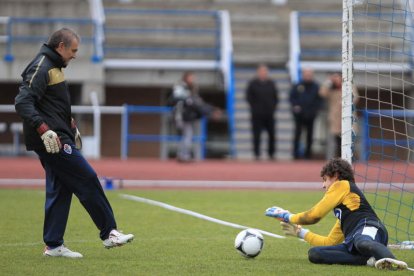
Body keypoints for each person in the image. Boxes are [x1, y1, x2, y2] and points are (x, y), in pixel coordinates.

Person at [15, 28, 134, 258]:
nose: (75, 55)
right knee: (86, 178)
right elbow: (23, 101)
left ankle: (54, 245)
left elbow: (51, 103)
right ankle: (109, 232)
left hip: (60, 134)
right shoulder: (42, 65)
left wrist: (70, 124)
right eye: (73, 50)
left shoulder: (54, 66)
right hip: (53, 140)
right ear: (60, 46)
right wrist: (44, 129)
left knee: (60, 189)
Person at [265, 158, 408, 270]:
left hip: (369, 227)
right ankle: (367, 260)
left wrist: (287, 216)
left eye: (325, 180)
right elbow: (330, 242)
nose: (323, 185)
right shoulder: (344, 214)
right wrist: (300, 233)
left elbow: (314, 215)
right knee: (315, 254)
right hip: (355, 239)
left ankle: (391, 260)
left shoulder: (342, 184)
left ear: (336, 176)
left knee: (361, 241)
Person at [170, 71, 220, 162]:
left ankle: (182, 154)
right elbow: (185, 101)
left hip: (188, 115)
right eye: (191, 77)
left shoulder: (192, 88)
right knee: (187, 134)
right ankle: (183, 155)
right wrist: (209, 111)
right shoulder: (180, 87)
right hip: (181, 114)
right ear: (186, 77)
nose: (193, 79)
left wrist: (210, 110)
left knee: (186, 135)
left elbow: (198, 103)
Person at [319, 73, 359, 158]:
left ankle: (350, 157)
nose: (336, 80)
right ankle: (337, 157)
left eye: (337, 78)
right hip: (335, 117)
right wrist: (328, 82)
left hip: (348, 116)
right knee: (337, 139)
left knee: (349, 138)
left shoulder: (349, 85)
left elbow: (355, 97)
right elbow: (322, 93)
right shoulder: (331, 89)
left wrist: (346, 102)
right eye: (334, 78)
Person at [246, 64, 279, 160]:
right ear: (258, 72)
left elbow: (276, 97)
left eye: (265, 71)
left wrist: (272, 108)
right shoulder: (252, 84)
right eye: (261, 71)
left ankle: (271, 153)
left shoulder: (271, 83)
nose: (263, 73)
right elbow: (248, 97)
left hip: (269, 114)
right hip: (257, 114)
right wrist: (254, 107)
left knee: (272, 134)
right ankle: (256, 153)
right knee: (256, 134)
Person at [289, 68, 322, 159]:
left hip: (311, 115)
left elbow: (319, 100)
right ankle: (295, 154)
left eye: (309, 74)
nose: (308, 76)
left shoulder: (316, 86)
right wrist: (295, 106)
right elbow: (292, 98)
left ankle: (308, 154)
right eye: (306, 74)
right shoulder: (297, 86)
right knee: (297, 134)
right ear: (303, 75)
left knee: (310, 136)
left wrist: (315, 110)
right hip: (299, 116)